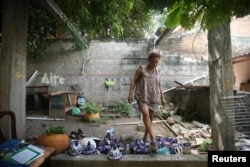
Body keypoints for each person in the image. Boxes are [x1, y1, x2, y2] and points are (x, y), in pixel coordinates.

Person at [128, 51, 166, 152]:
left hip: (154, 97)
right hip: (142, 96)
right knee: (145, 114)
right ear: (149, 60)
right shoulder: (141, 69)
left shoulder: (158, 72)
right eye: (153, 62)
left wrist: (162, 97)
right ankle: (153, 139)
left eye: (157, 62)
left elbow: (160, 85)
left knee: (150, 119)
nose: (155, 64)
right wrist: (130, 93)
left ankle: (145, 136)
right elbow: (134, 81)